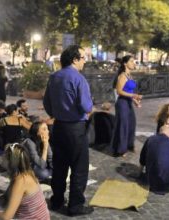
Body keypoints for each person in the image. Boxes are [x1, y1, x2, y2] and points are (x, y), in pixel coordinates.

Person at [43, 45, 94, 216]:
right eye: (83, 57)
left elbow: (47, 104)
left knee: (59, 166)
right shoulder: (78, 79)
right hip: (76, 128)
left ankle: (57, 200)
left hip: (59, 127)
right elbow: (86, 106)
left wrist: (57, 113)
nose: (85, 61)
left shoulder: (54, 77)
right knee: (79, 169)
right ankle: (75, 206)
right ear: (74, 59)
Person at [0, 143, 50, 220]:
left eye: (4, 156)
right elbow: (6, 197)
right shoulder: (25, 173)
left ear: (11, 162)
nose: (2, 158)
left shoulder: (21, 181)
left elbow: (6, 216)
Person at [111, 55, 143, 157]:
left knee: (132, 123)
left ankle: (129, 145)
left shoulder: (130, 76)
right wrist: (134, 95)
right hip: (122, 103)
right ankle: (121, 149)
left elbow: (128, 91)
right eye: (132, 61)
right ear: (125, 63)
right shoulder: (122, 76)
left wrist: (135, 101)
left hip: (128, 102)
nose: (134, 63)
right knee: (123, 125)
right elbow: (120, 91)